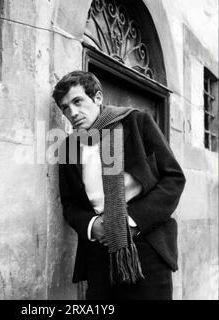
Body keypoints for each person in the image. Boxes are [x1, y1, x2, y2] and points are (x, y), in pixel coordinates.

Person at [52, 70, 186, 300]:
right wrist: (93, 225)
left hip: (146, 247)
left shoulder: (136, 122)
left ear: (97, 97)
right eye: (65, 108)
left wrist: (130, 222)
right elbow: (70, 205)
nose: (72, 112)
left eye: (77, 101)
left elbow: (173, 178)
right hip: (99, 254)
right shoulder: (68, 148)